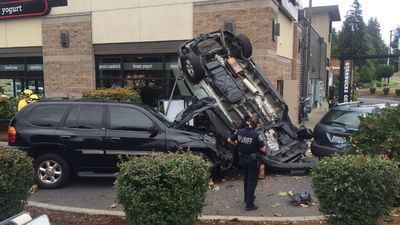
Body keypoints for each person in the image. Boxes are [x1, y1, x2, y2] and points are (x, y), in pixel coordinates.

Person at [227, 116, 266, 211]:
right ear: (257, 125)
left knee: (246, 179)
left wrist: (237, 143)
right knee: (252, 182)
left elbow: (229, 140)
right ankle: (249, 205)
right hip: (253, 161)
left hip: (242, 160)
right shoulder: (256, 135)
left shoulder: (239, 132)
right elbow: (263, 149)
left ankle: (246, 198)